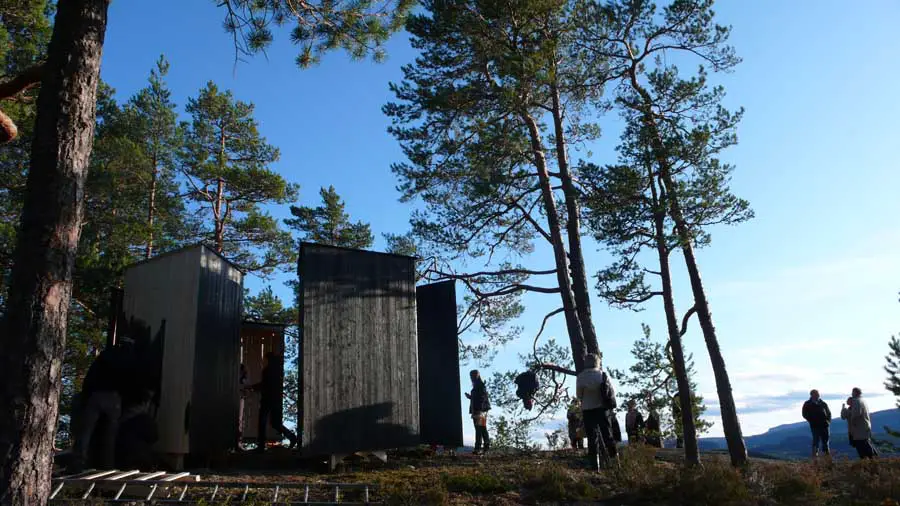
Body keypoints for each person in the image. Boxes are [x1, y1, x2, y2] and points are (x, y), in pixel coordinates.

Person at [70, 340, 134, 472]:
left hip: (96, 395)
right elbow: (130, 381)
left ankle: (78, 463)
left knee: (86, 431)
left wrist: (87, 395)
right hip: (114, 398)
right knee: (109, 436)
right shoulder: (129, 359)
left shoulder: (105, 356)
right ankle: (106, 466)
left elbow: (90, 376)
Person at [248, 352, 297, 451]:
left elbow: (265, 384)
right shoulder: (277, 371)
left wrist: (252, 387)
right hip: (276, 399)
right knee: (275, 423)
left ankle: (261, 446)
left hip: (268, 399)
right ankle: (292, 437)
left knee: (263, 422)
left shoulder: (268, 371)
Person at [576, 354, 617, 471]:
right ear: (597, 362)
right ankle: (615, 463)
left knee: (592, 438)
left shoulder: (581, 377)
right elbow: (610, 392)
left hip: (587, 410)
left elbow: (579, 396)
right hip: (602, 409)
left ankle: (595, 467)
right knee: (608, 436)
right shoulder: (602, 375)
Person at [115, 389, 158, 470]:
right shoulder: (145, 420)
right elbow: (154, 438)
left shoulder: (121, 419)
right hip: (141, 459)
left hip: (122, 459)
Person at [841, 388, 876, 459]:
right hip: (862, 427)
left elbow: (856, 414)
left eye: (852, 392)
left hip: (859, 428)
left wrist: (852, 421)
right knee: (865, 443)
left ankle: (869, 460)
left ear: (855, 393)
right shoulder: (862, 401)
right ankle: (872, 459)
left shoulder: (857, 401)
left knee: (862, 445)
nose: (852, 394)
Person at [465, 369, 491, 455]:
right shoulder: (478, 386)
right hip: (478, 410)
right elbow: (478, 398)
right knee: (482, 428)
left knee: (479, 429)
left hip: (480, 410)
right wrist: (470, 397)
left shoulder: (481, 386)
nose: (472, 378)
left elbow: (482, 398)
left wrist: (478, 411)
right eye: (471, 376)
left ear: (477, 375)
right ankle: (485, 447)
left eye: (473, 376)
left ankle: (478, 448)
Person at [801, 389, 832, 458]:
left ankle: (827, 460)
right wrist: (812, 420)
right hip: (815, 426)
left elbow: (829, 413)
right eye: (817, 394)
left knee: (826, 443)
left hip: (825, 426)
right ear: (812, 395)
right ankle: (815, 460)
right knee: (816, 442)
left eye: (818, 394)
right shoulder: (807, 404)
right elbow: (804, 414)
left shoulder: (823, 403)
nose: (818, 395)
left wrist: (828, 422)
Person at [237, 363, 248, 449]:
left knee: (239, 421)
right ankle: (238, 442)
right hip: (239, 399)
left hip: (240, 399)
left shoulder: (243, 381)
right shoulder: (241, 381)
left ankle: (238, 442)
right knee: (239, 421)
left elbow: (245, 390)